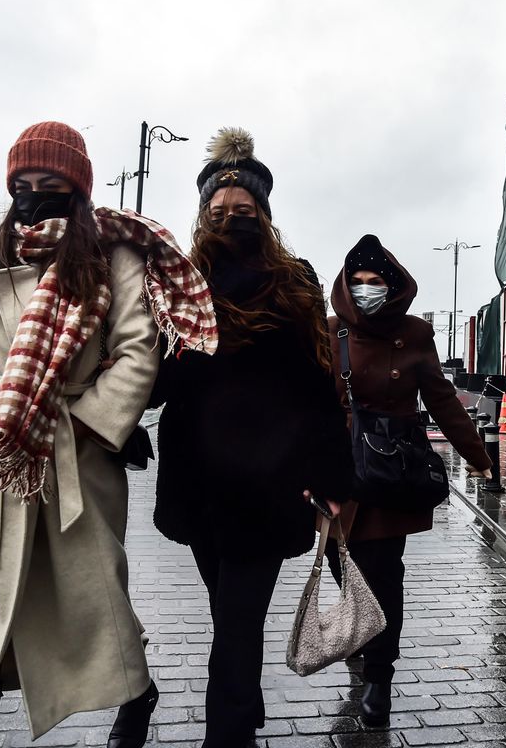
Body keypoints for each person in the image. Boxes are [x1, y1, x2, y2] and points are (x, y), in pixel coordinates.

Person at [0, 121, 217, 748]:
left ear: (77, 188)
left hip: (75, 459)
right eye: (22, 183)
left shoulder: (113, 258)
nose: (33, 195)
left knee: (92, 604)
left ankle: (133, 691)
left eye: (49, 182)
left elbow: (136, 351)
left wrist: (85, 425)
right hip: (0, 459)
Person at [150, 127, 353, 748]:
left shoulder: (294, 280)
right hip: (198, 479)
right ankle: (245, 700)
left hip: (269, 479)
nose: (231, 219)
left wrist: (332, 475)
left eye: (243, 210)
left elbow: (318, 383)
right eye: (218, 211)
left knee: (238, 619)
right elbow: (156, 380)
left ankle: (229, 732)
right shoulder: (178, 280)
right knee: (229, 612)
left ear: (263, 214)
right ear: (202, 214)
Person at [326, 234, 493, 728]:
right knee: (342, 566)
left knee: (383, 575)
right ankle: (362, 633)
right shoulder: (330, 331)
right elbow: (309, 403)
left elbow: (441, 398)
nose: (365, 289)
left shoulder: (415, 334)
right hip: (338, 469)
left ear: (392, 285)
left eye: (374, 281)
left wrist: (478, 456)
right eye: (357, 281)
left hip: (390, 473)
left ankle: (380, 676)